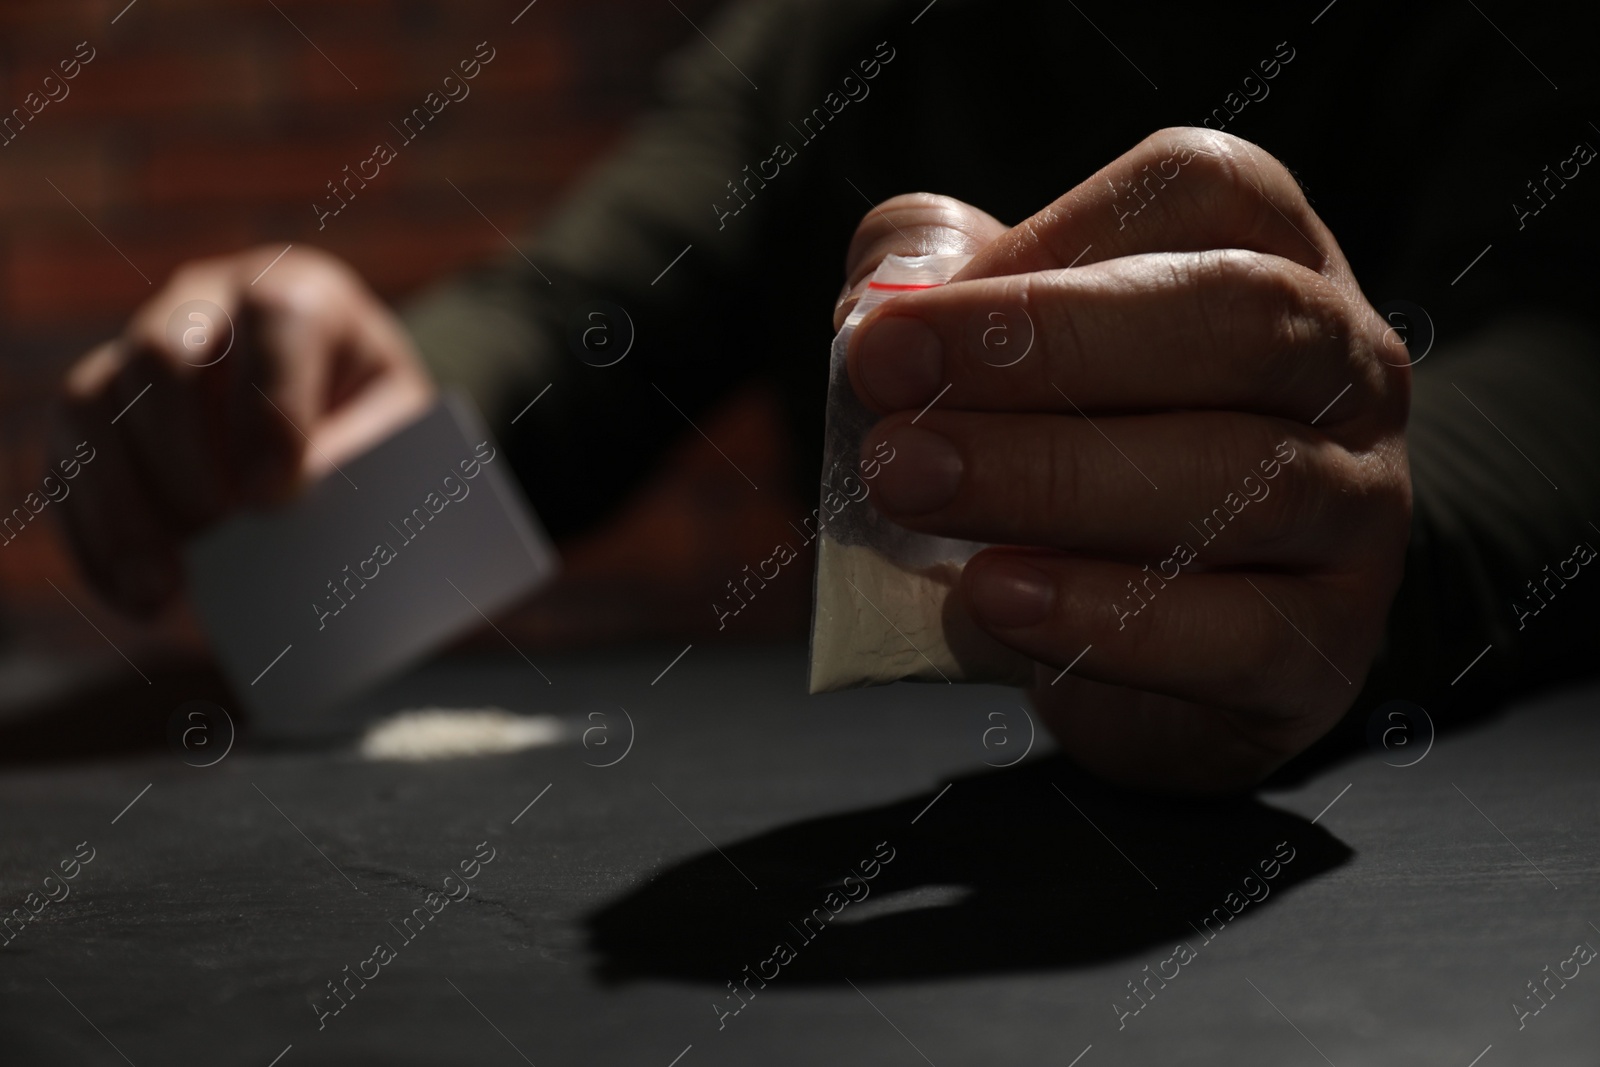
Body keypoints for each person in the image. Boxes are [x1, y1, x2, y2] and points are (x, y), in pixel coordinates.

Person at [49, 0, 1600, 790]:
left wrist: (1350, 523)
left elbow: (1560, 351)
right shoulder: (837, 32)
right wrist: (334, 412)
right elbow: (585, 316)